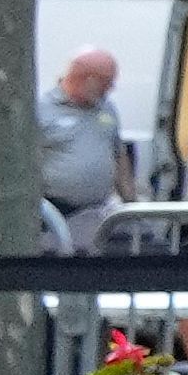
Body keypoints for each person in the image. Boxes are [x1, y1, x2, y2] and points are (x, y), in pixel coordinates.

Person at [34, 46, 129, 252]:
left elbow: (118, 153)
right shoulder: (41, 110)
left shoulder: (107, 109)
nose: (110, 89)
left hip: (97, 212)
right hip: (55, 212)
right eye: (107, 82)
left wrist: (131, 202)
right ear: (89, 79)